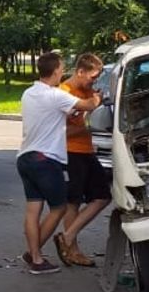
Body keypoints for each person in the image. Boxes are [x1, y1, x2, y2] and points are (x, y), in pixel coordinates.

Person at [17, 52, 101, 275]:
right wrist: (98, 98)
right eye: (61, 69)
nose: (63, 73)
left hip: (25, 157)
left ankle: (33, 255)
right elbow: (88, 105)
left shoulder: (28, 93)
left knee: (33, 209)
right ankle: (35, 257)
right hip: (46, 160)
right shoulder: (55, 95)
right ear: (55, 71)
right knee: (59, 207)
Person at [54, 53, 110, 267]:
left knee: (102, 196)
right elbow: (62, 130)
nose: (93, 81)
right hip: (70, 152)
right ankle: (72, 249)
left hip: (86, 151)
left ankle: (67, 238)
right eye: (92, 77)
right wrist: (85, 123)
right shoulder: (65, 93)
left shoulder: (88, 92)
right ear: (80, 72)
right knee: (73, 202)